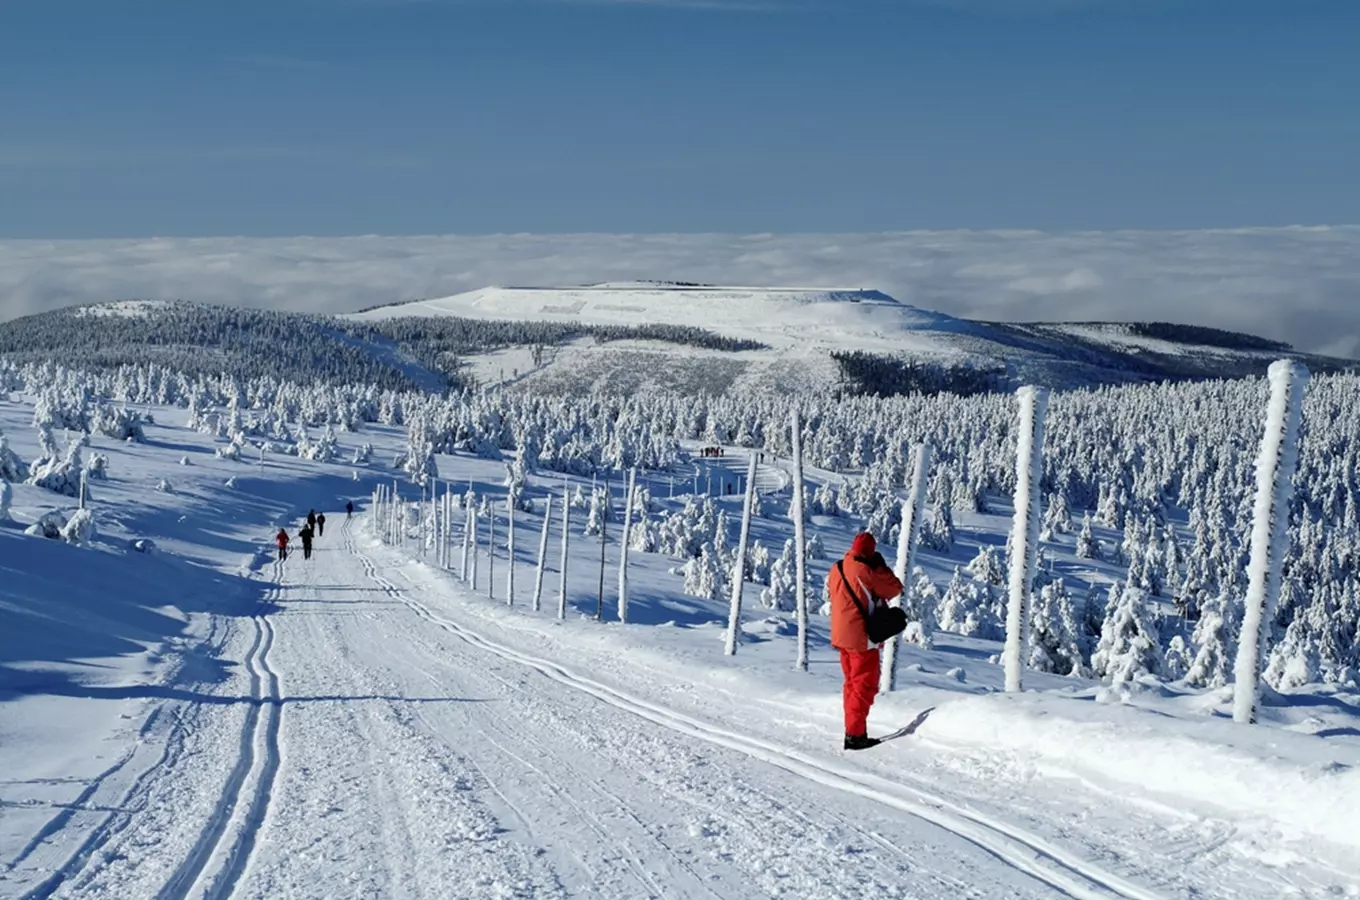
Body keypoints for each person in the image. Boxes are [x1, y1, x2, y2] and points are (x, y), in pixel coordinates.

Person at [827, 532, 903, 750]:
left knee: (851, 684)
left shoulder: (837, 568)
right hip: (861, 637)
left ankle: (853, 730)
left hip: (841, 635)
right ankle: (855, 735)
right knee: (864, 685)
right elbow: (894, 588)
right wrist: (881, 567)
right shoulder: (866, 570)